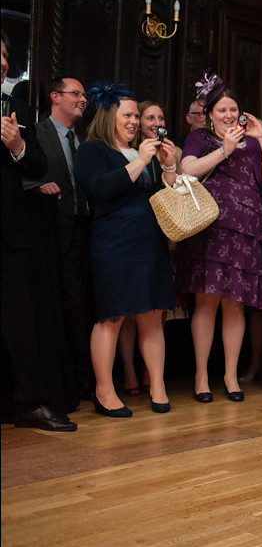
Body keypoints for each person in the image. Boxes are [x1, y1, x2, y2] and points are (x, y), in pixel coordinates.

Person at [176, 73, 262, 403]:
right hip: (210, 228)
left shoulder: (252, 140)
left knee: (235, 306)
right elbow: (188, 171)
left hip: (246, 231)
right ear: (209, 114)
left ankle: (231, 375)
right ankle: (202, 375)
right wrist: (225, 149)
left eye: (233, 109)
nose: (228, 115)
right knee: (206, 304)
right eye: (222, 110)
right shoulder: (199, 138)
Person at [74, 83, 177, 416]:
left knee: (152, 317)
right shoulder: (92, 150)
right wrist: (141, 160)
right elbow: (101, 188)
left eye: (136, 115)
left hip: (150, 242)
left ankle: (158, 386)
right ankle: (104, 391)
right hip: (114, 243)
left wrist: (169, 165)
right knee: (111, 317)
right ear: (109, 116)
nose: (135, 122)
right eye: (128, 115)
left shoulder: (144, 152)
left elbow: (165, 195)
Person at [1, 32, 77, 431]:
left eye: (4, 55)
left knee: (19, 321)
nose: (1, 61)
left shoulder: (16, 109)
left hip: (11, 233)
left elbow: (37, 165)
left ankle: (29, 403)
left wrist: (18, 146)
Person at [28, 77, 94, 399]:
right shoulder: (37, 133)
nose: (83, 99)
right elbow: (23, 175)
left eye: (84, 95)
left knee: (87, 304)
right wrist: (37, 186)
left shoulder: (83, 139)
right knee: (70, 306)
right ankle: (77, 378)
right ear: (55, 97)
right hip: (55, 234)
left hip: (87, 232)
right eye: (76, 94)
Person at [117, 101, 183, 395]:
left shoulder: (167, 150)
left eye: (161, 116)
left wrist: (169, 163)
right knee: (128, 311)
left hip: (160, 236)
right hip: (127, 236)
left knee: (155, 311)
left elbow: (172, 191)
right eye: (149, 117)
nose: (156, 121)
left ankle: (152, 372)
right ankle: (129, 370)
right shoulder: (128, 151)